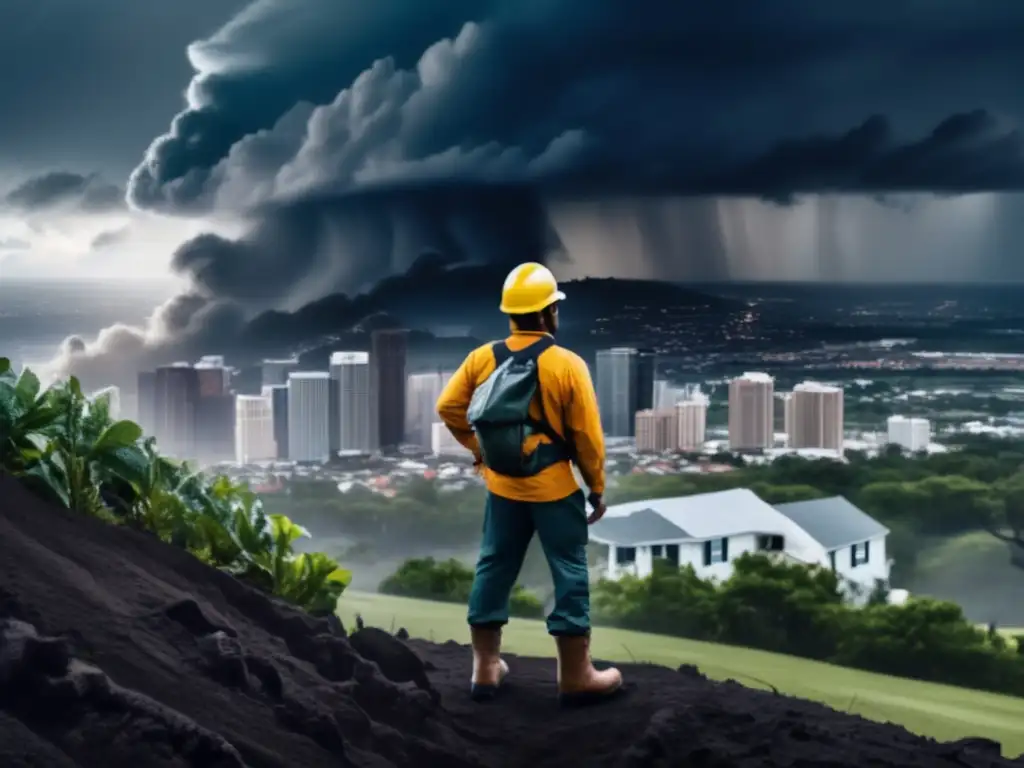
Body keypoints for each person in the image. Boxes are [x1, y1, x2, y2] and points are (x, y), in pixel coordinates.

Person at [436, 261, 623, 707]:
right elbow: (586, 437)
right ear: (547, 314)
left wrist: (480, 451)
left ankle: (485, 669)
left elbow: (449, 407)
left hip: (503, 488)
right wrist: (595, 487)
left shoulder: (482, 357)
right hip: (554, 489)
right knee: (569, 571)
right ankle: (576, 676)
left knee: (494, 565)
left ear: (511, 315)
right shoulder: (566, 364)